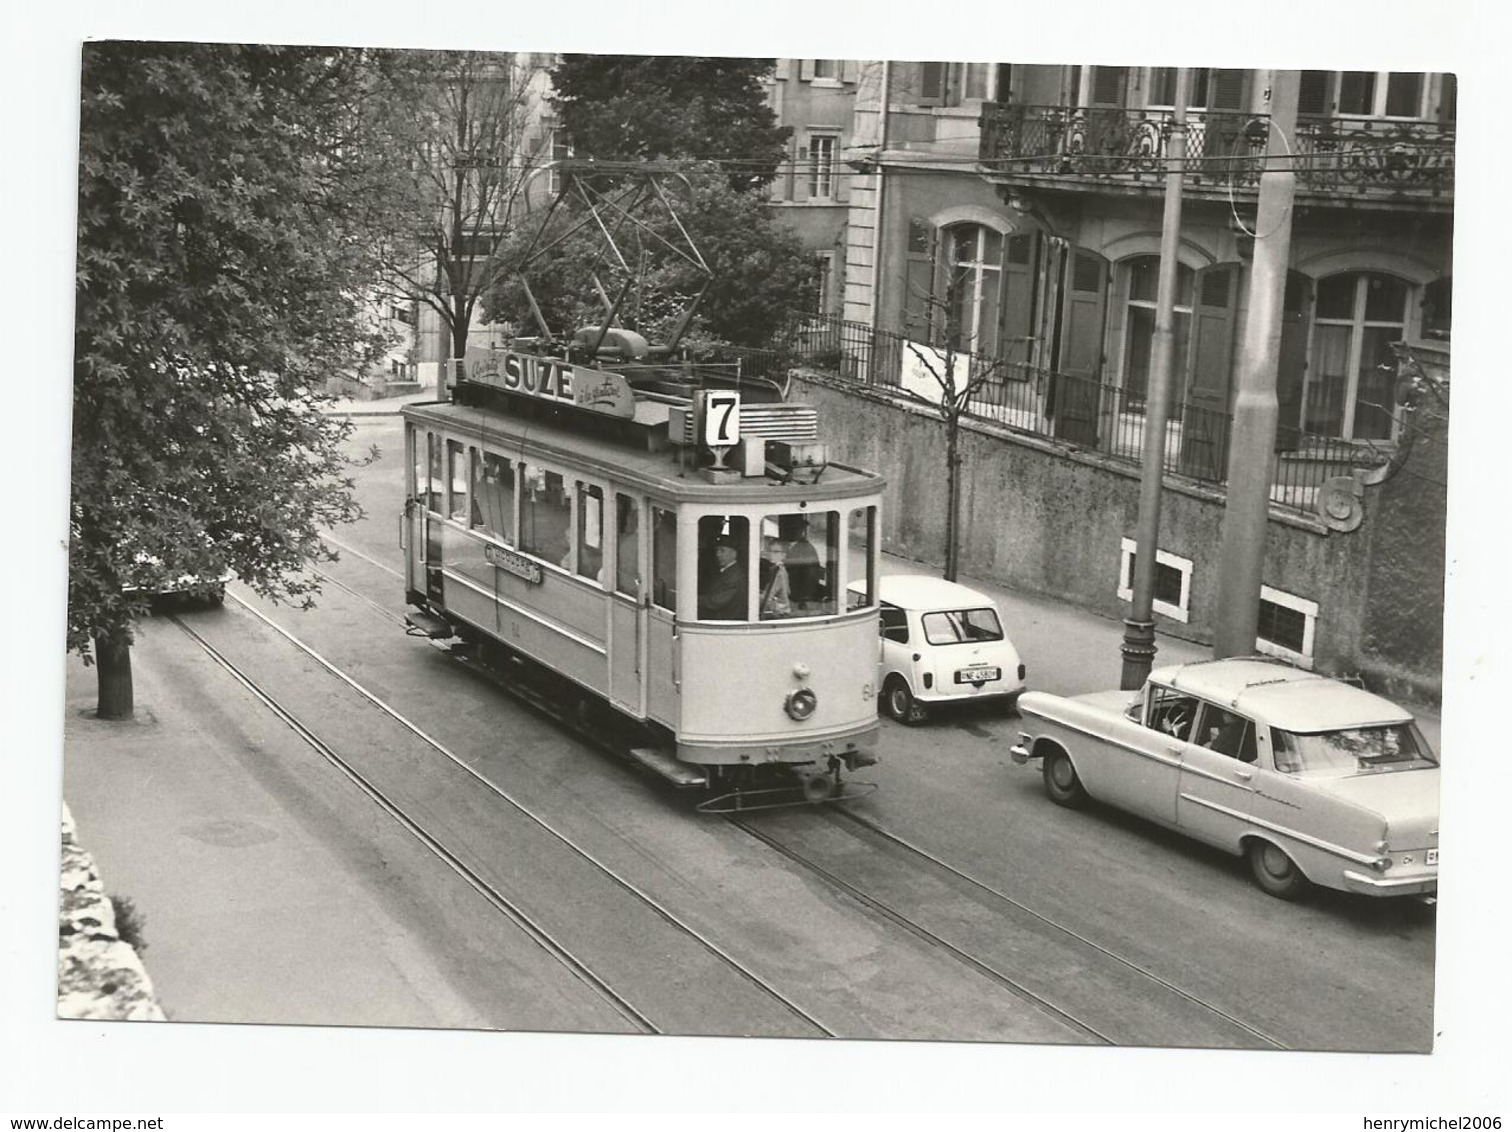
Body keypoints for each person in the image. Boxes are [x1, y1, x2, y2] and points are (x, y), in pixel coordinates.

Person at [698, 536, 746, 620]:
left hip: (726, 622)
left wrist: (692, 599)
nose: (718, 554)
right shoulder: (726, 571)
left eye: (722, 551)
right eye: (717, 551)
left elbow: (715, 602)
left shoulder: (735, 576)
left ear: (734, 554)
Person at [781, 516, 823, 607]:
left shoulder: (806, 549)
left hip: (797, 598)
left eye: (796, 529)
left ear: (802, 531)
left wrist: (800, 600)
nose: (792, 531)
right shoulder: (785, 545)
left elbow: (811, 578)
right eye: (790, 528)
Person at [760, 537, 792, 619]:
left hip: (779, 614)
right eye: (769, 551)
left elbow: (768, 596)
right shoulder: (774, 569)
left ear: (783, 555)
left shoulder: (778, 571)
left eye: (776, 552)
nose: (771, 554)